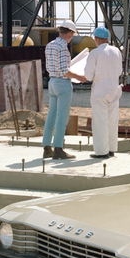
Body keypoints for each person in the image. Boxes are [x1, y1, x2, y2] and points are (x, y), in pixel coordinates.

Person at [42, 20, 86, 159]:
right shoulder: (63, 47)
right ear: (70, 32)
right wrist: (79, 77)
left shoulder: (50, 45)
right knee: (62, 117)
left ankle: (47, 148)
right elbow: (64, 71)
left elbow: (51, 67)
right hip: (62, 83)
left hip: (52, 81)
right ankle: (58, 149)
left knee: (51, 116)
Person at [83, 26, 123, 159]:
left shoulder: (94, 53)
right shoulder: (116, 51)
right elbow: (119, 71)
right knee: (112, 120)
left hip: (100, 89)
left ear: (95, 38)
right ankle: (112, 149)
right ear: (107, 38)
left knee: (100, 121)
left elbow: (89, 76)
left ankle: (102, 151)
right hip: (115, 88)